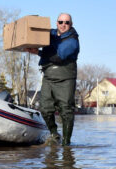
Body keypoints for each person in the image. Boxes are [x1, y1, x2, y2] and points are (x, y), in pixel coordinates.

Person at [25, 13, 79, 146]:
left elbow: (57, 56)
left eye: (66, 22)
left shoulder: (72, 41)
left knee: (66, 110)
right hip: (48, 77)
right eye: (61, 22)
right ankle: (54, 134)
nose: (63, 24)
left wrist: (38, 52)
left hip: (65, 78)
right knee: (45, 108)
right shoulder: (51, 33)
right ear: (57, 23)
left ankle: (66, 144)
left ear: (71, 24)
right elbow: (38, 35)